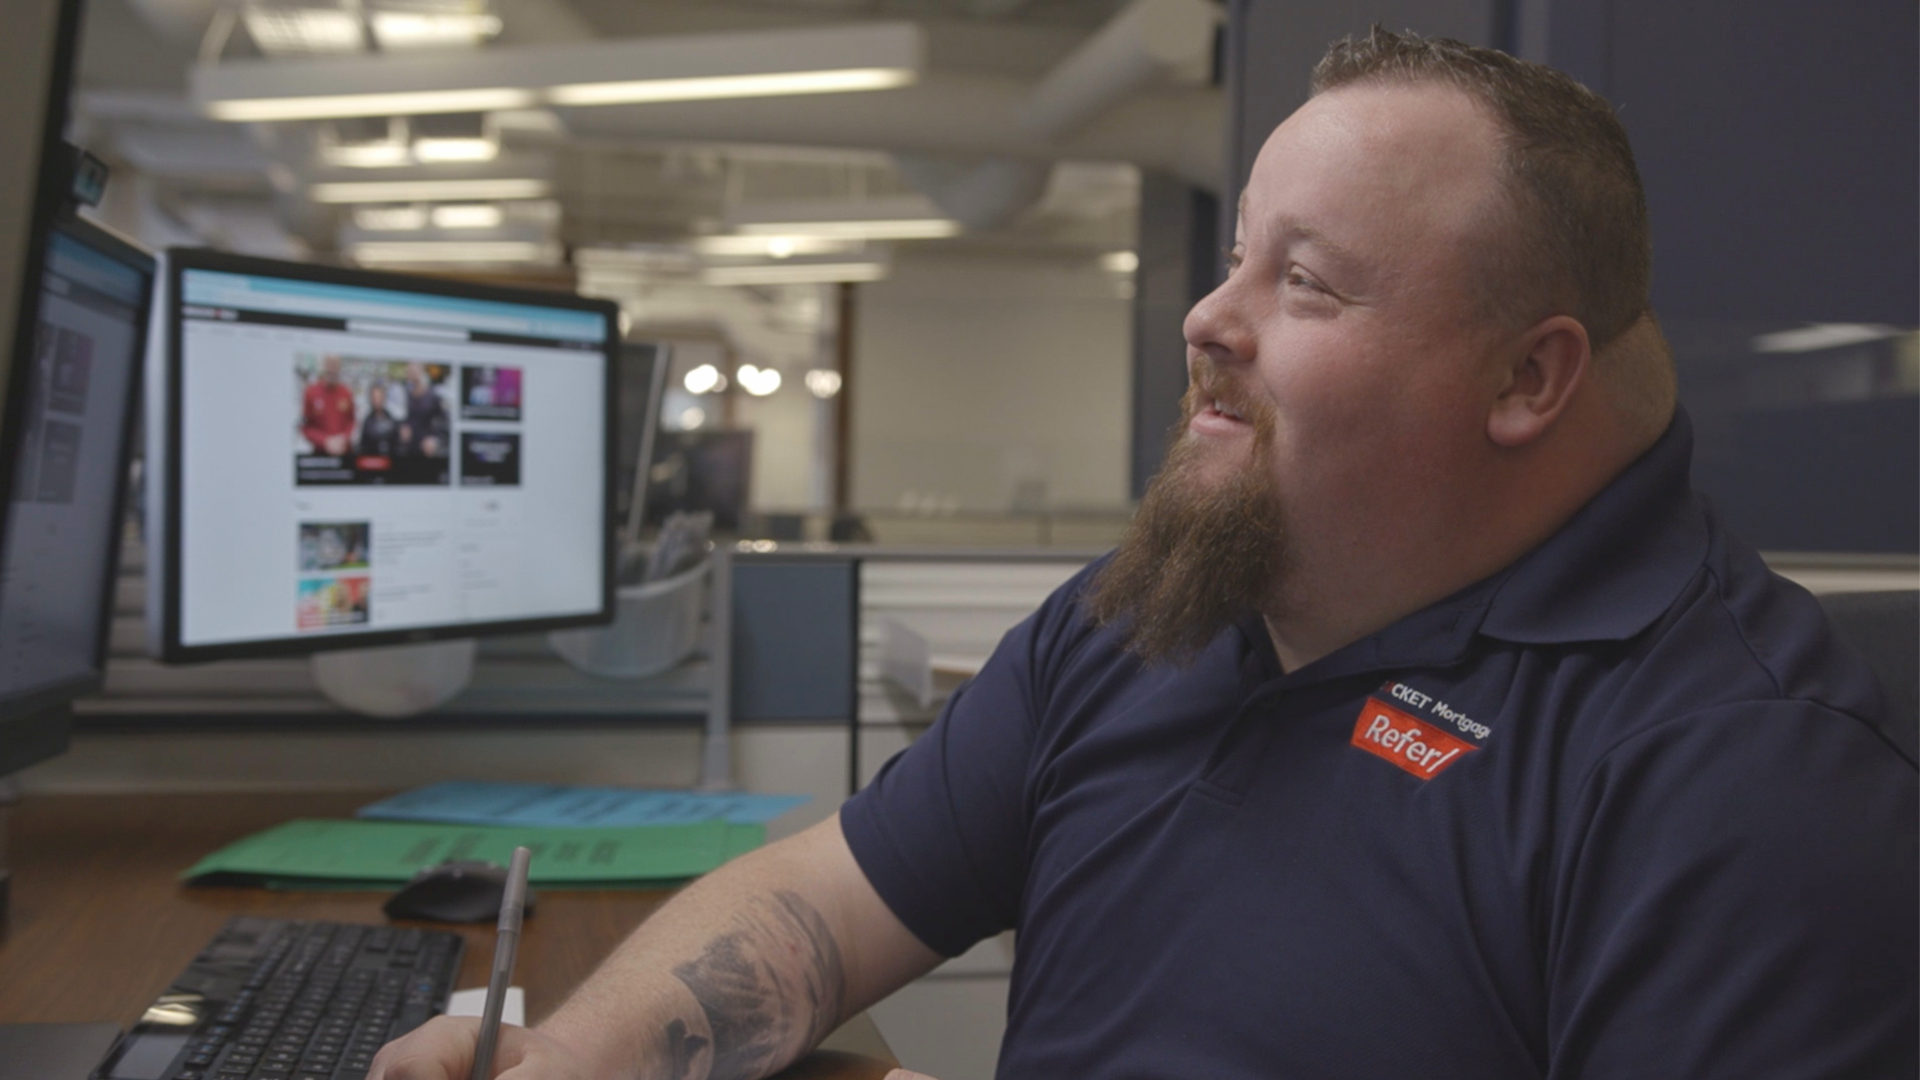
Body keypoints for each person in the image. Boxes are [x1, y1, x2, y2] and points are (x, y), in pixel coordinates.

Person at [370, 29, 1916, 1080]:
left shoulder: (1741, 779)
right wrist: (565, 1064)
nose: (1206, 318)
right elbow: (824, 904)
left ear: (1527, 380)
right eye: (1235, 252)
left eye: (1302, 282)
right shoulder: (1155, 610)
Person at [300, 355, 355, 457]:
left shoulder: (346, 393)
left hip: (344, 453)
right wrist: (325, 441)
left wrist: (343, 438)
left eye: (335, 365)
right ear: (324, 366)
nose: (332, 369)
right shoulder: (311, 392)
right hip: (321, 456)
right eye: (330, 364)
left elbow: (352, 421)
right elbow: (305, 427)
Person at [399, 362, 450, 458]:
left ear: (421, 371)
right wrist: (402, 427)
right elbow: (401, 418)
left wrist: (435, 439)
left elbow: (445, 420)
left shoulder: (432, 396)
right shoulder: (405, 394)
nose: (412, 374)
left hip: (427, 448)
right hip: (409, 449)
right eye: (409, 371)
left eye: (414, 371)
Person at [357, 381, 401, 459]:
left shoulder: (391, 419)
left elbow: (397, 443)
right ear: (370, 399)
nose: (377, 401)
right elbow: (363, 448)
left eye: (379, 397)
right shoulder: (367, 422)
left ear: (384, 398)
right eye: (374, 397)